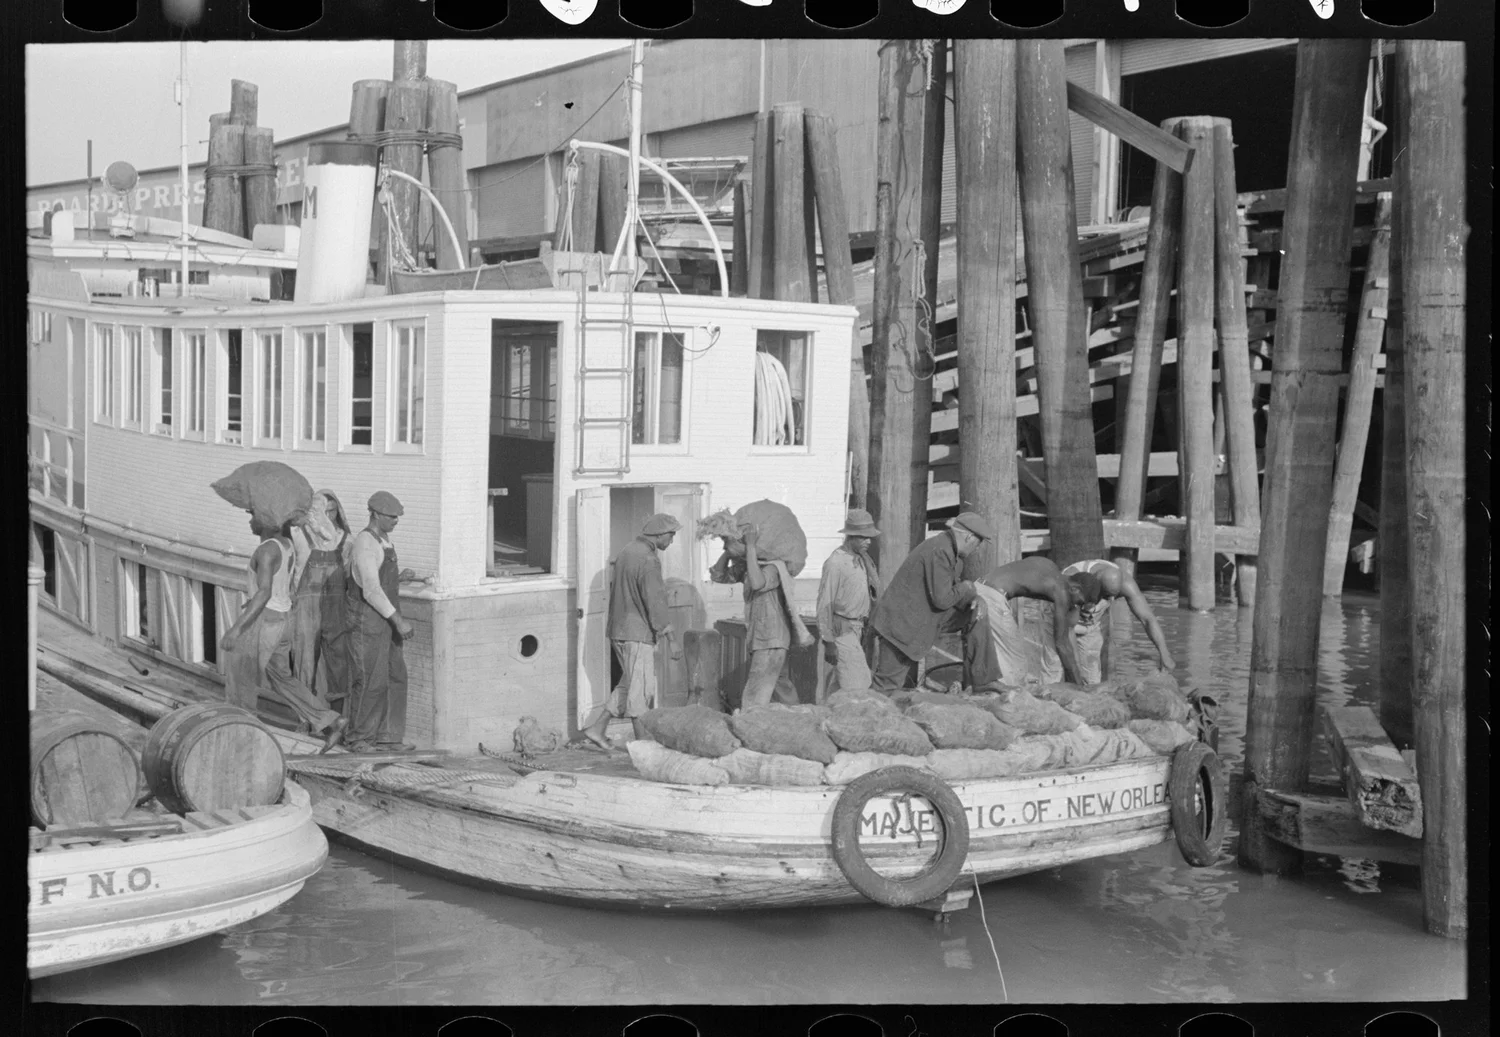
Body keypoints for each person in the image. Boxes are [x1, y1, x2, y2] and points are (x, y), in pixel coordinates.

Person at [220, 514, 348, 752]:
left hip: (265, 621)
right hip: (282, 618)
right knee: (282, 680)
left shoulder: (267, 550)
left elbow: (264, 592)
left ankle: (241, 736)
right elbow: (279, 586)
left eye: (253, 516)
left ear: (268, 521)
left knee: (241, 677)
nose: (249, 521)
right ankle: (330, 721)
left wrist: (236, 629)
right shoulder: (285, 545)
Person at [582, 513, 679, 750]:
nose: (672, 540)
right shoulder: (648, 559)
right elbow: (656, 602)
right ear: (658, 535)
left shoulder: (627, 551)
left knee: (628, 684)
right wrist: (671, 638)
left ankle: (597, 729)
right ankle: (643, 745)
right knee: (641, 690)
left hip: (619, 630)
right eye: (671, 535)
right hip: (637, 634)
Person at [867, 511, 992, 693]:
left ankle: (984, 678)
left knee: (976, 614)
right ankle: (860, 718)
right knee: (885, 688)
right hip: (900, 628)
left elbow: (950, 588)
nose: (977, 548)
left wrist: (975, 598)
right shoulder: (941, 552)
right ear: (969, 538)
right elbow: (942, 600)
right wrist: (967, 587)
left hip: (909, 625)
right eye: (978, 542)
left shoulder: (946, 549)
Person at [709, 523, 810, 709]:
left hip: (771, 639)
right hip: (766, 639)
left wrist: (750, 547)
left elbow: (757, 583)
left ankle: (749, 727)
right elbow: (718, 576)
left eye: (727, 543)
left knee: (755, 693)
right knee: (781, 688)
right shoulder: (749, 566)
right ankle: (798, 722)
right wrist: (728, 552)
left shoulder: (774, 568)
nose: (724, 546)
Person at [344, 491, 415, 753]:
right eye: (391, 517)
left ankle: (389, 737)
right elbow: (371, 590)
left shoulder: (384, 540)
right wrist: (399, 621)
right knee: (371, 680)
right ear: (375, 514)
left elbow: (382, 580)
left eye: (398, 517)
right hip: (368, 621)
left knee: (396, 676)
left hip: (386, 621)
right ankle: (359, 739)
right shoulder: (365, 543)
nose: (396, 521)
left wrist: (402, 578)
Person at [1029, 558, 1176, 684]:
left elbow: (1147, 618)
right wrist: (1076, 670)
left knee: (1092, 679)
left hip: (1091, 623)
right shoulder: (1070, 583)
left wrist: (1164, 654)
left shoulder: (1124, 582)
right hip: (1059, 615)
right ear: (1094, 582)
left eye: (1113, 596)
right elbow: (1068, 631)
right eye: (1105, 595)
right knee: (1054, 670)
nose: (1109, 599)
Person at [964, 555, 1089, 688]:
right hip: (992, 596)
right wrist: (1077, 687)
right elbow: (1061, 643)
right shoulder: (1061, 590)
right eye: (1079, 602)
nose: (1076, 605)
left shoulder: (1049, 567)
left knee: (981, 649)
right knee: (1016, 661)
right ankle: (1011, 702)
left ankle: (970, 688)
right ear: (1075, 588)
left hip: (979, 587)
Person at [289, 489, 353, 707]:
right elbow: (292, 569)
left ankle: (337, 717)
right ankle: (304, 718)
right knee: (304, 659)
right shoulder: (299, 534)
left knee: (338, 659)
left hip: (335, 605)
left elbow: (348, 574)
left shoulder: (346, 540)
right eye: (323, 511)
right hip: (306, 604)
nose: (329, 517)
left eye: (333, 511)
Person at [815, 509, 882, 695]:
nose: (868, 541)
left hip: (857, 628)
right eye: (863, 537)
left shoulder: (862, 559)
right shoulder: (836, 563)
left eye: (869, 537)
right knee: (858, 685)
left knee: (840, 686)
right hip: (841, 629)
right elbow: (824, 602)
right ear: (850, 537)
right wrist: (828, 641)